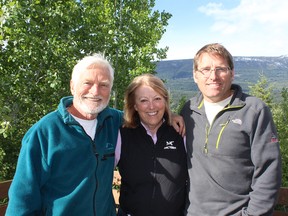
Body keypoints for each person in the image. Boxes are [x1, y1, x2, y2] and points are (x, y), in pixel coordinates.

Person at [6, 54, 185, 216]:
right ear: (72, 86)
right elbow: (22, 200)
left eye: (104, 85)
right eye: (88, 83)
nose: (95, 91)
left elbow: (148, 114)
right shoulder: (45, 133)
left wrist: (172, 116)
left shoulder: (115, 121)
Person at [180, 43, 282, 216]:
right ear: (195, 75)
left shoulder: (254, 111)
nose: (213, 76)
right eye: (205, 69)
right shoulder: (189, 110)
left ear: (232, 73)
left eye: (221, 69)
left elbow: (268, 171)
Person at [115, 74, 188, 216]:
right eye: (144, 100)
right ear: (135, 105)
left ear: (165, 102)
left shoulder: (180, 133)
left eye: (157, 99)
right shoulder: (122, 135)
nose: (152, 106)